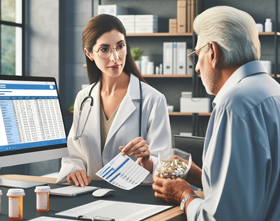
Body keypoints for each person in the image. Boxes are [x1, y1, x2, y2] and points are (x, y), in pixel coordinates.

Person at [152, 6, 280, 221]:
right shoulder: (272, 89)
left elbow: (224, 217)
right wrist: (203, 177)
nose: (197, 68)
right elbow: (255, 186)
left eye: (196, 55)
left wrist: (184, 195)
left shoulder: (234, 103)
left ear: (213, 52)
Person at [57, 14, 172, 186]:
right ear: (89, 54)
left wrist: (147, 159)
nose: (115, 57)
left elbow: (165, 167)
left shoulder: (153, 100)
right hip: (90, 194)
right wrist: (75, 170)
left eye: (120, 46)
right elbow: (74, 155)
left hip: (136, 198)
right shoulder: (84, 98)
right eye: (104, 49)